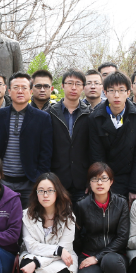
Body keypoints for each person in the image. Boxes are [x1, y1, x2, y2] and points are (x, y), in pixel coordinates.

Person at [74, 163, 133, 273]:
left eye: (104, 178)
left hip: (115, 255)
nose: (99, 183)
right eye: (94, 179)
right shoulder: (81, 205)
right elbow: (76, 236)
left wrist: (98, 257)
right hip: (89, 254)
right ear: (89, 183)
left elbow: (122, 237)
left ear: (111, 181)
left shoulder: (121, 203)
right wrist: (84, 256)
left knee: (109, 260)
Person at [0, 72, 53, 204]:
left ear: (31, 91)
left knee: (29, 216)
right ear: (9, 91)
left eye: (24, 87)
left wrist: (39, 178)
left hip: (30, 182)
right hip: (2, 181)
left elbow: (46, 152)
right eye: (16, 87)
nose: (20, 91)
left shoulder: (42, 118)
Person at [19, 173, 78, 273]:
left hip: (60, 258)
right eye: (41, 191)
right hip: (36, 254)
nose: (45, 195)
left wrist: (37, 263)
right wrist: (57, 251)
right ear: (36, 193)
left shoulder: (68, 216)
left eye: (50, 190)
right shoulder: (26, 215)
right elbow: (31, 246)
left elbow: (65, 249)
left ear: (57, 192)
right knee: (25, 265)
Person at [88, 72, 136, 200]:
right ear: (105, 92)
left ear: (128, 92)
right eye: (111, 90)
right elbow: (96, 155)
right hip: (106, 179)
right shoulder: (95, 117)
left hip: (129, 177)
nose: (116, 95)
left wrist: (135, 187)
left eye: (121, 90)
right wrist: (102, 183)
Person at [47, 70, 92, 204]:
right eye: (70, 83)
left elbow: (94, 149)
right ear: (62, 86)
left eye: (78, 84)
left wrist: (91, 179)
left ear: (83, 87)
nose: (73, 87)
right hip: (57, 178)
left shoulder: (90, 115)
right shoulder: (50, 113)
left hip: (82, 180)